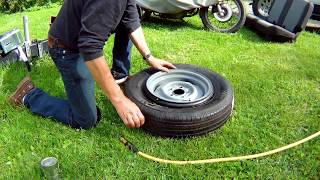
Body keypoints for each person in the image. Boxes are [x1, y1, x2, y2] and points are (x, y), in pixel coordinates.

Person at [9, 0, 175, 129]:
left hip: (80, 42)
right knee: (85, 119)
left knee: (131, 16)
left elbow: (131, 19)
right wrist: (120, 101)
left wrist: (149, 57)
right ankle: (29, 95)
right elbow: (90, 46)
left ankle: (119, 76)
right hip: (67, 50)